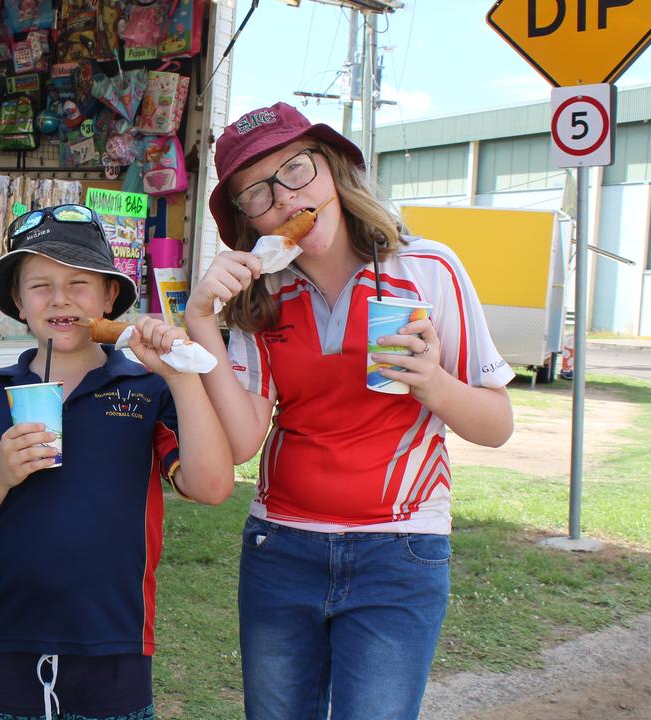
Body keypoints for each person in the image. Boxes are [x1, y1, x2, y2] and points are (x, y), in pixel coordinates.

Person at [184, 102, 516, 720]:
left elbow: (497, 425)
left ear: (334, 171)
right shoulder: (262, 297)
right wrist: (201, 320)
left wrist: (434, 385)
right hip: (280, 548)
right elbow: (241, 443)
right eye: (256, 193)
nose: (284, 199)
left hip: (401, 550)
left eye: (297, 170)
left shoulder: (428, 268)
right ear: (244, 218)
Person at [0, 204, 235, 720]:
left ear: (109, 297)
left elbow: (211, 486)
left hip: (115, 646)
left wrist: (181, 377)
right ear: (18, 303)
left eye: (78, 282)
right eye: (40, 285)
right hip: (8, 642)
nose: (60, 298)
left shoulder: (146, 389)